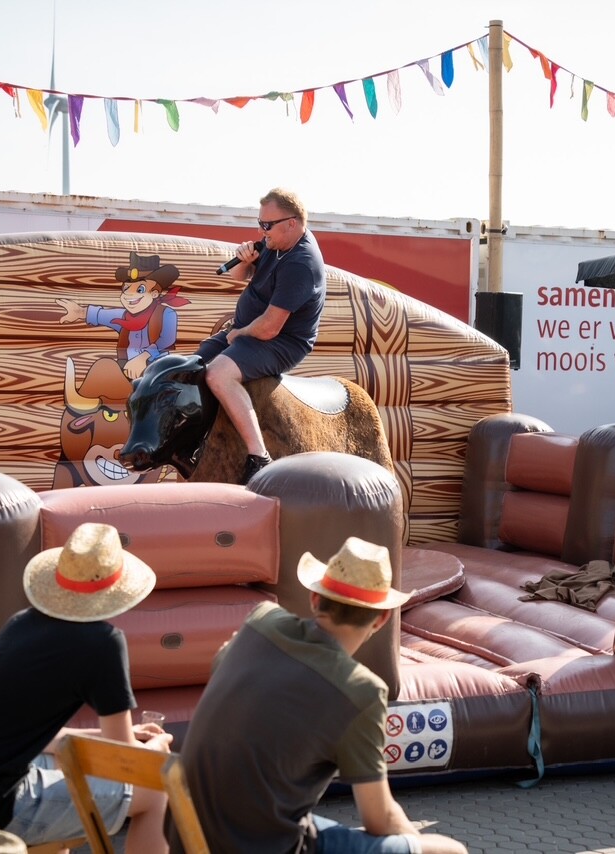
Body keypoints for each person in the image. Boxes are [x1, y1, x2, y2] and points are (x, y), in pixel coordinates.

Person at [171, 537, 468, 854]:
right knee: (448, 851)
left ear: (315, 598)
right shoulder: (360, 691)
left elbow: (222, 667)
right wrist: (413, 842)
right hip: (267, 845)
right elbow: (379, 818)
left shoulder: (260, 621)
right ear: (382, 619)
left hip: (187, 833)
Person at [0, 523, 173, 853]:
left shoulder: (21, 624)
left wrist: (117, 734)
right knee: (156, 786)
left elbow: (41, 738)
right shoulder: (104, 643)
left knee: (65, 764)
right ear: (116, 590)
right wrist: (156, 750)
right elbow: (122, 760)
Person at [197, 188, 326, 484]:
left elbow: (269, 328)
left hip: (281, 342)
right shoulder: (275, 242)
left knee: (218, 374)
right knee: (190, 366)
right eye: (259, 223)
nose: (261, 231)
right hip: (247, 331)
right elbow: (237, 276)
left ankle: (258, 455)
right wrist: (244, 260)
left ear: (291, 223)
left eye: (267, 224)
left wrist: (239, 332)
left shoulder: (301, 263)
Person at [56, 252, 190, 380]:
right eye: (126, 288)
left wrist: (143, 358)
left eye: (140, 290)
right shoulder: (123, 317)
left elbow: (166, 340)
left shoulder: (166, 314)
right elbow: (101, 315)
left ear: (154, 293)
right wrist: (79, 312)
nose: (129, 294)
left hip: (157, 371)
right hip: (127, 369)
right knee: (103, 366)